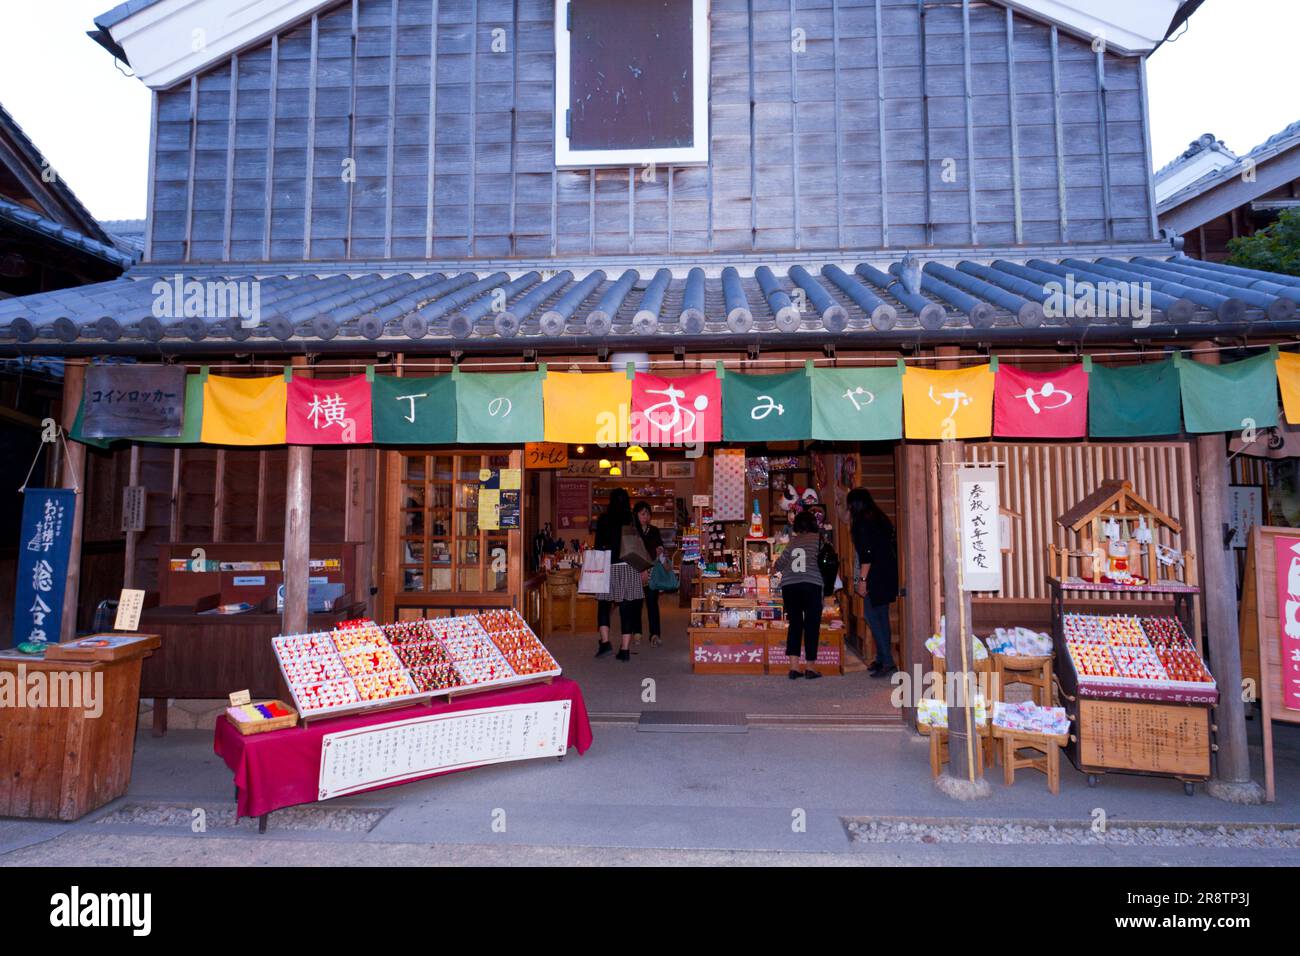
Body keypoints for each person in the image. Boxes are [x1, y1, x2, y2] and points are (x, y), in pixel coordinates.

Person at [847, 487, 900, 677]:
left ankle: (887, 661)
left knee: (872, 617)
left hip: (875, 575)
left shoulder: (861, 523)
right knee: (881, 617)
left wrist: (862, 580)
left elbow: (866, 555)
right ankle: (881, 659)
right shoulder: (879, 518)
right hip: (888, 572)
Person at [592, 488, 645, 662]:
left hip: (608, 566)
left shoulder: (603, 519)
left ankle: (605, 643)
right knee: (626, 608)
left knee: (603, 606)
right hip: (628, 566)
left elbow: (598, 545)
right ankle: (624, 649)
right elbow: (639, 543)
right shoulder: (631, 518)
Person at [772, 510, 826, 680]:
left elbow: (779, 565)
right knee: (812, 625)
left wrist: (777, 566)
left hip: (790, 586)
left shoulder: (793, 542)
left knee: (795, 624)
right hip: (812, 584)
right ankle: (810, 667)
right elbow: (826, 560)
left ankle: (794, 667)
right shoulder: (819, 539)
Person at [631, 500, 665, 647]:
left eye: (648, 514)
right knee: (636, 603)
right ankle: (637, 632)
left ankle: (655, 634)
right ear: (636, 515)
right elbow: (632, 552)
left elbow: (659, 548)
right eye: (642, 514)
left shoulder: (654, 530)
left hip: (652, 570)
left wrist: (658, 551)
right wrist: (642, 567)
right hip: (635, 571)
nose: (646, 517)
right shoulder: (632, 530)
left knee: (652, 603)